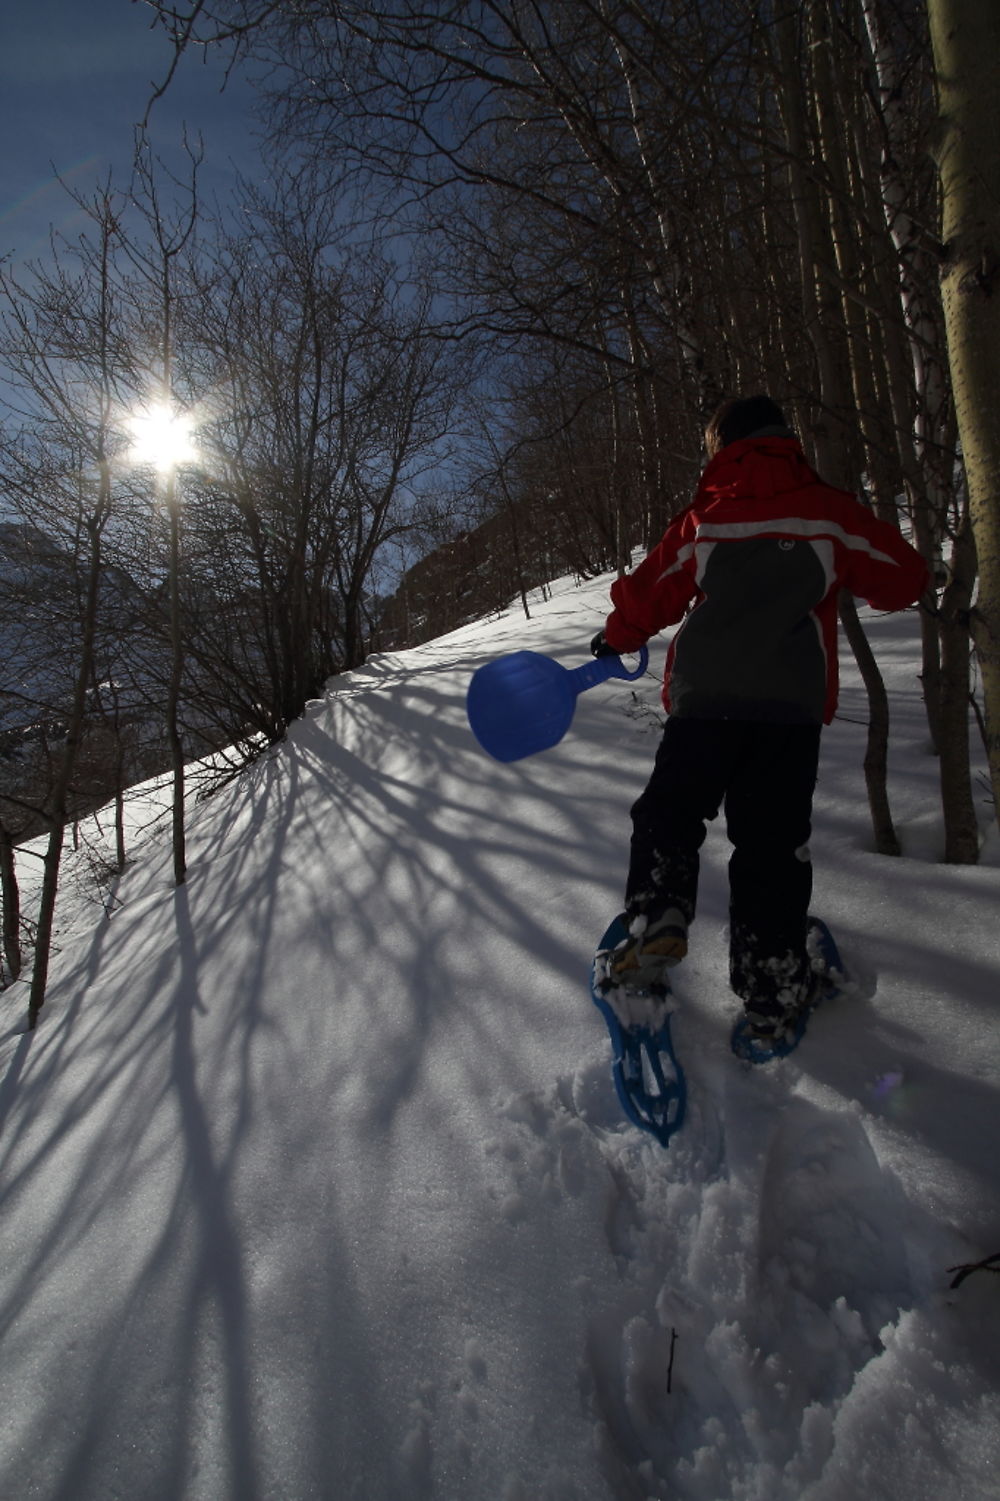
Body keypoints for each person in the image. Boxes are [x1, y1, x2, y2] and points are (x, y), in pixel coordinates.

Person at [592, 395, 928, 1042]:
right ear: (785, 439)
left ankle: (656, 918)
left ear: (724, 448)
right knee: (771, 847)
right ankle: (774, 991)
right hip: (788, 710)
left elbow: (649, 590)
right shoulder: (829, 510)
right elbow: (903, 578)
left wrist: (617, 635)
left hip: (704, 700)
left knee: (672, 811)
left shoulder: (706, 517)